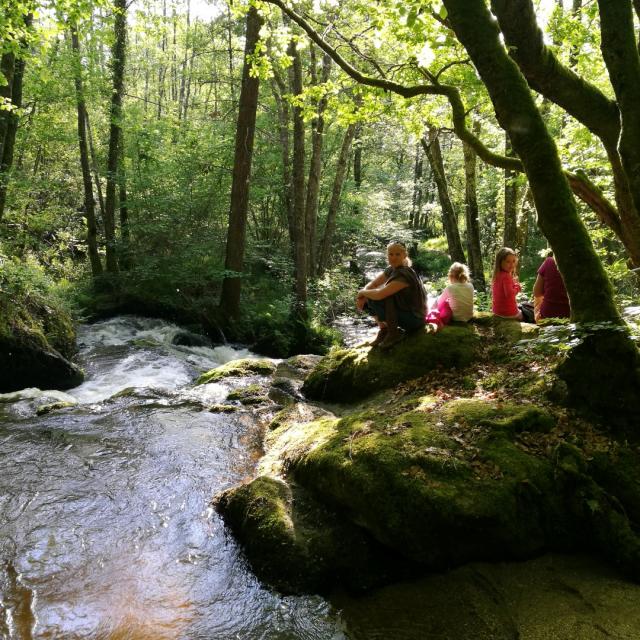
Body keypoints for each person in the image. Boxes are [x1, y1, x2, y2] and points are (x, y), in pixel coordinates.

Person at [356, 241, 427, 349]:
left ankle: (394, 333)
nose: (393, 257)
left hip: (415, 318)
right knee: (370, 296)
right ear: (387, 255)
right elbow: (374, 284)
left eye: (397, 254)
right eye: (391, 254)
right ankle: (384, 330)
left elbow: (380, 294)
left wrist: (362, 293)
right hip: (404, 311)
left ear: (405, 255)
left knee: (375, 298)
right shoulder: (391, 269)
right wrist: (362, 296)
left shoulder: (404, 274)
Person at [533, 252, 570, 321]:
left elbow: (536, 292)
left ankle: (538, 319)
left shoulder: (549, 261)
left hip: (548, 316)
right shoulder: (582, 265)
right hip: (571, 315)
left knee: (537, 300)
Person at [492, 247, 523, 320]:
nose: (512, 265)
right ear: (500, 262)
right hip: (508, 313)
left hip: (497, 311)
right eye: (508, 262)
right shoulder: (506, 276)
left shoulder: (497, 275)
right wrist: (517, 287)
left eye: (513, 261)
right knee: (523, 313)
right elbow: (509, 294)